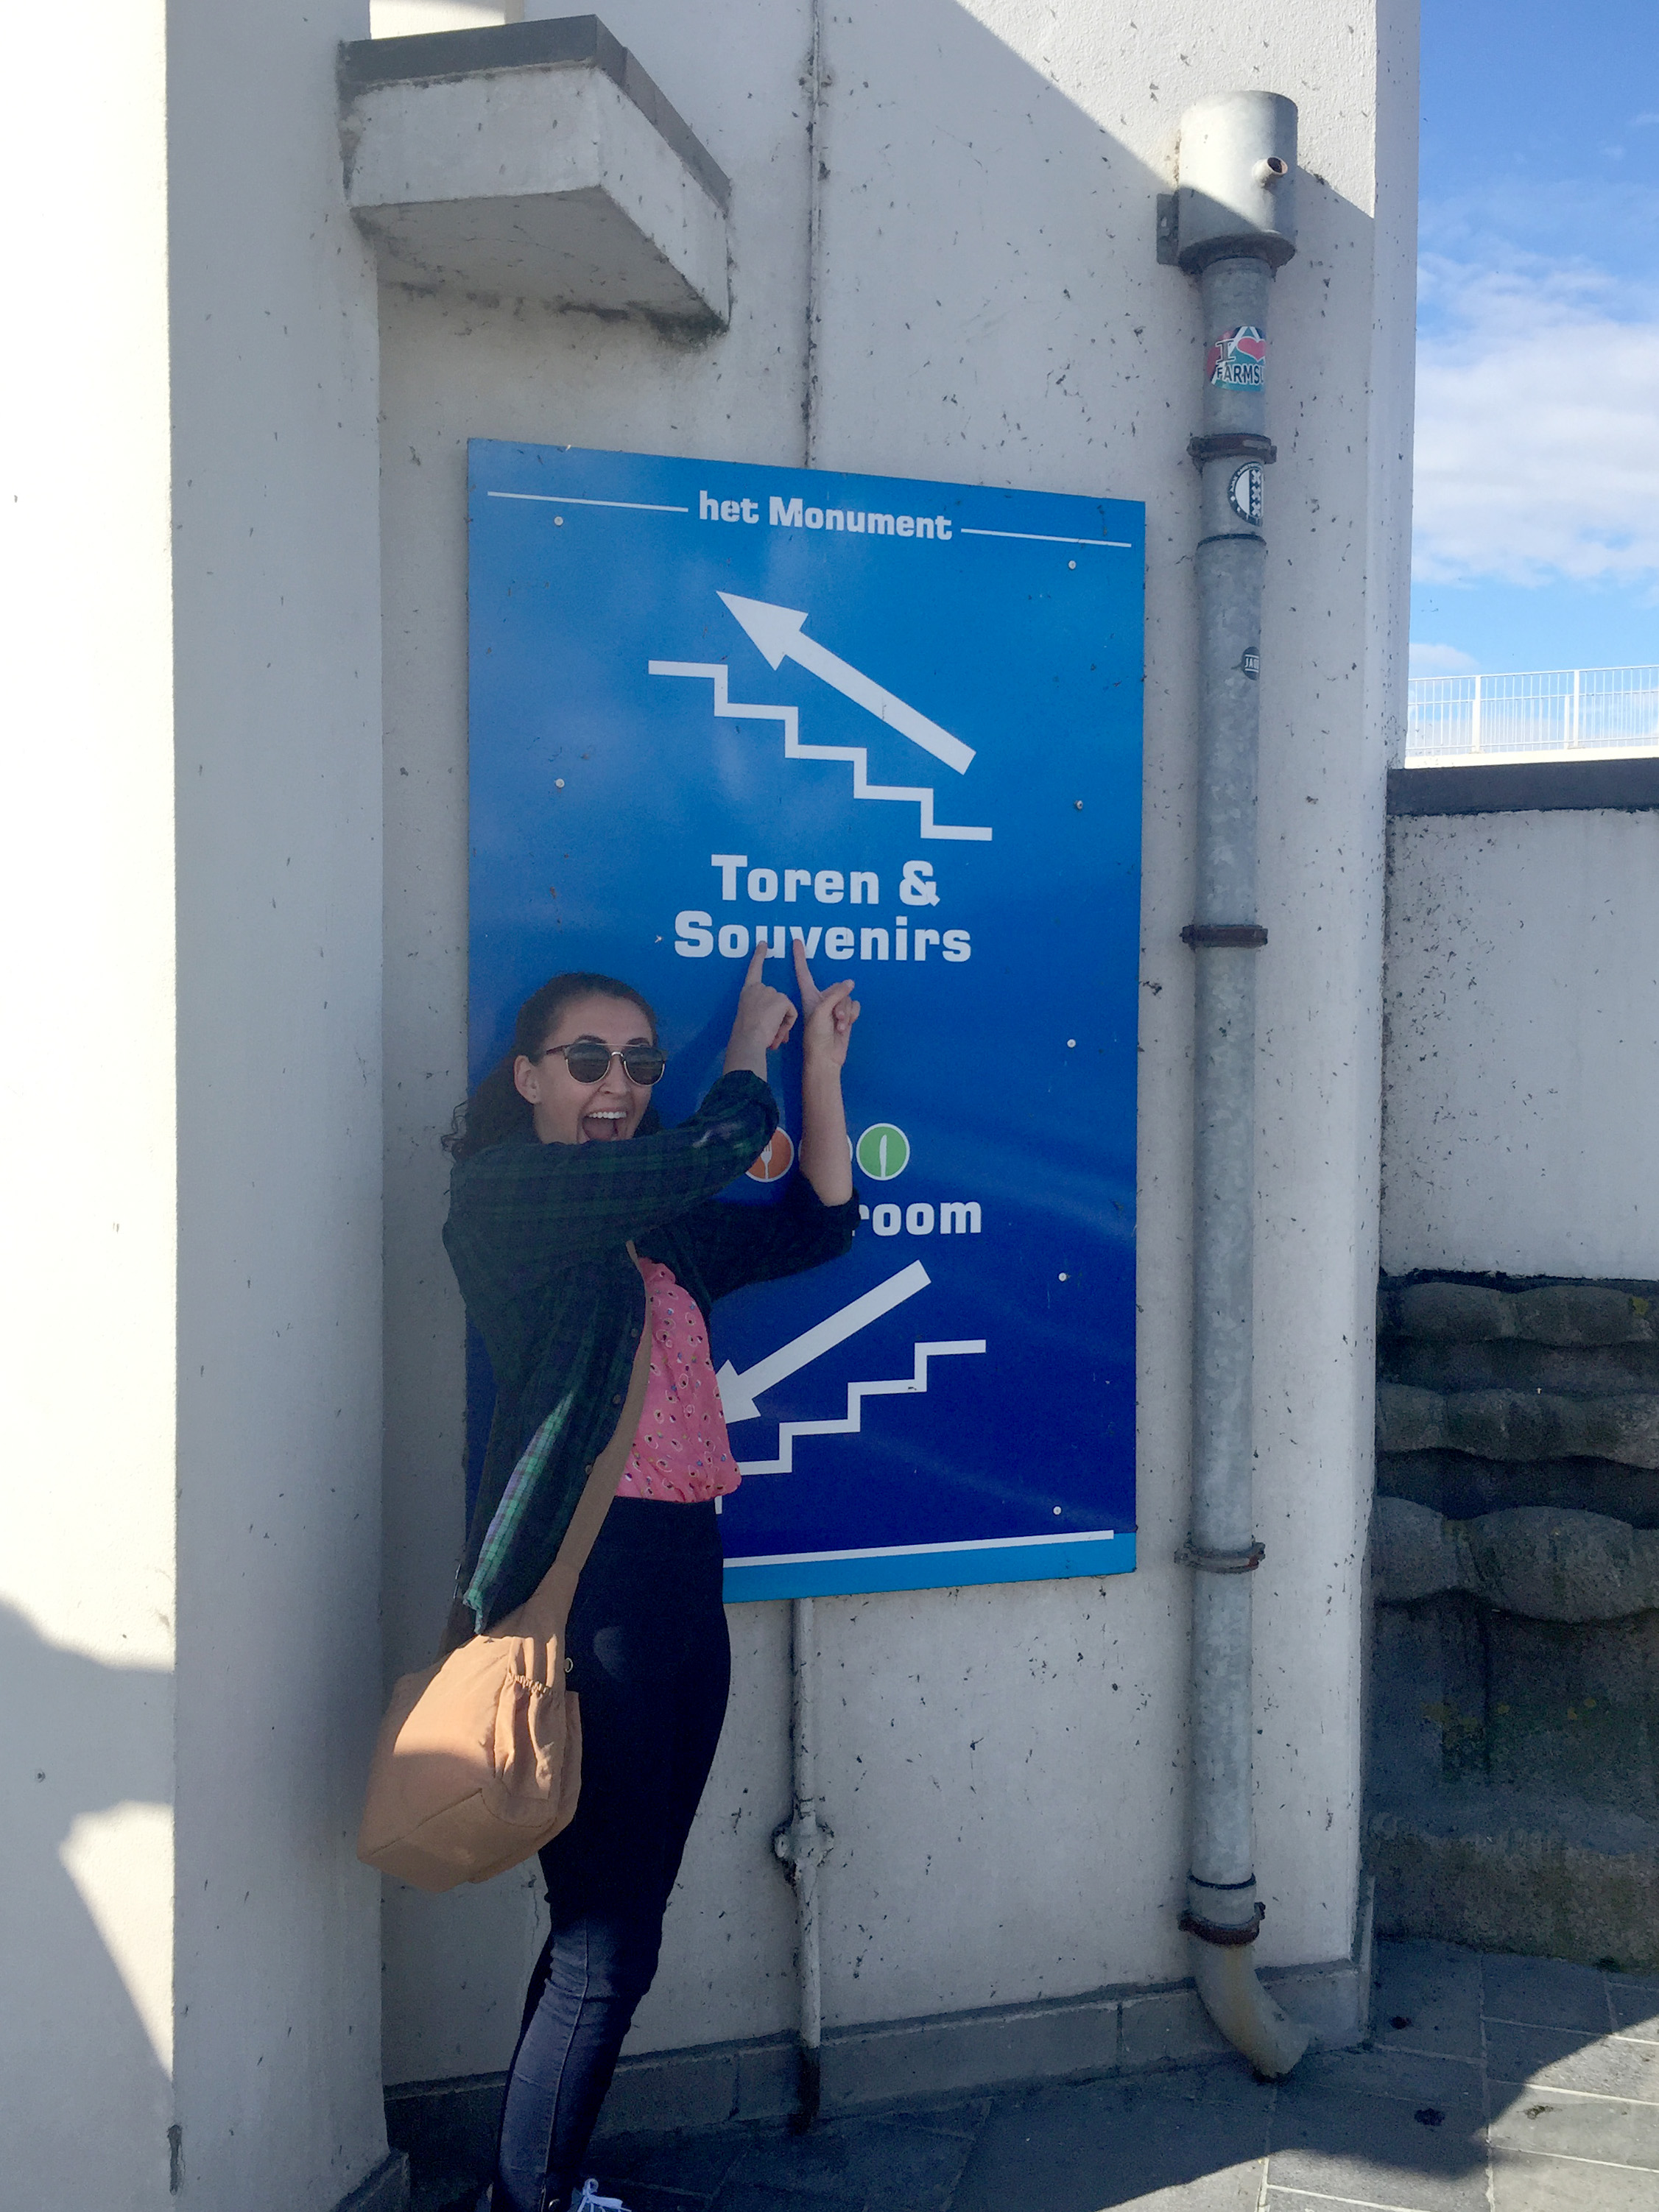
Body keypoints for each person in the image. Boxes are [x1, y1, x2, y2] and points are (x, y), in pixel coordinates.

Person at [441, 942, 860, 2212]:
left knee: (613, 1922)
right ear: (526, 1077)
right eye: (585, 1061)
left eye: (636, 1062)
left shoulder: (657, 1233)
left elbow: (822, 1224)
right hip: (595, 1589)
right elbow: (720, 1138)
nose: (614, 1082)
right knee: (608, 1935)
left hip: (685, 1572)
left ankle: (543, 2182)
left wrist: (820, 1068)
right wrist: (748, 1045)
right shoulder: (505, 1199)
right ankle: (536, 2200)